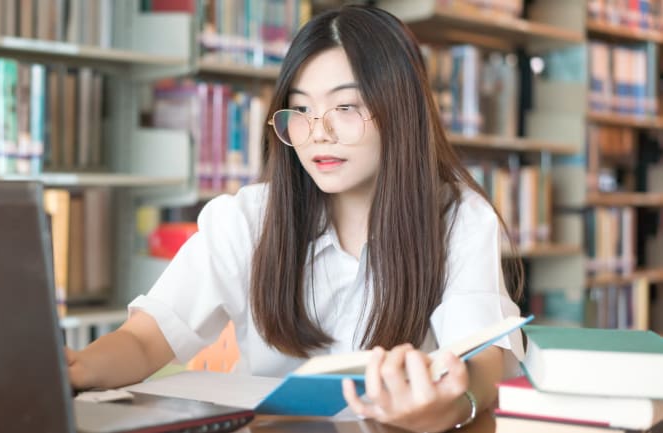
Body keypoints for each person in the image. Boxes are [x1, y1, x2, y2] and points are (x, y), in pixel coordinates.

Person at [66, 4, 525, 432]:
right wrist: (77, 367)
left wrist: (451, 403)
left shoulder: (459, 219)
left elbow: (483, 358)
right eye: (301, 109)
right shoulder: (245, 219)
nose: (318, 134)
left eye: (345, 108)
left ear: (400, 112)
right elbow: (148, 340)